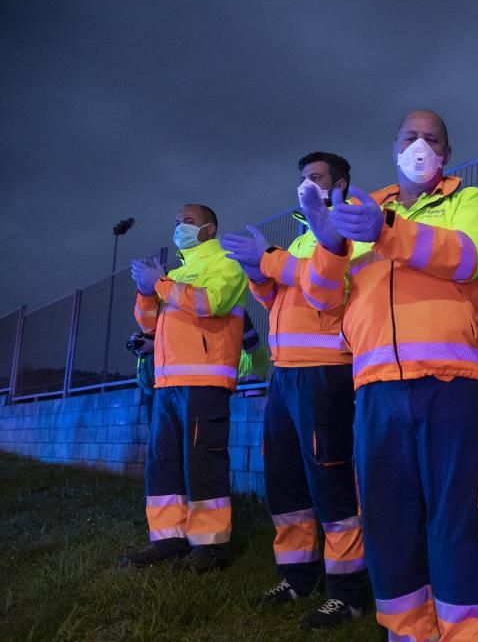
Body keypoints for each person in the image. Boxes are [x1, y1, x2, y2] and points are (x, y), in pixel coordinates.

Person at [297, 110, 478, 641]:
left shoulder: (469, 202)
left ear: (447, 154)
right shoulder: (362, 211)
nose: (420, 146)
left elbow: (471, 256)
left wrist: (387, 231)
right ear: (393, 146)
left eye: (431, 139)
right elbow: (323, 299)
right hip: (377, 391)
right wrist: (328, 244)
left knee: (459, 522)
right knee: (388, 522)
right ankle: (408, 632)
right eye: (410, 137)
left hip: (452, 384)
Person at [220, 152, 369, 630]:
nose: (306, 184)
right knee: (286, 482)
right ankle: (297, 577)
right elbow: (279, 297)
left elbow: (325, 286)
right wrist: (257, 273)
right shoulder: (305, 238)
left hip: (326, 373)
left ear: (339, 184)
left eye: (317, 177)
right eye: (302, 177)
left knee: (331, 482)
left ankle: (347, 592)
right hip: (285, 375)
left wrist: (271, 261)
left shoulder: (351, 230)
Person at [122, 203, 248, 572]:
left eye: (189, 222)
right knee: (163, 465)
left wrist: (159, 283)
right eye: (177, 222)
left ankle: (210, 548)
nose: (180, 227)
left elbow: (212, 302)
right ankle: (168, 539)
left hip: (205, 380)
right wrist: (146, 292)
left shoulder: (225, 261)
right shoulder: (178, 272)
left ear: (209, 228)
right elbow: (148, 322)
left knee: (202, 462)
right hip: (168, 382)